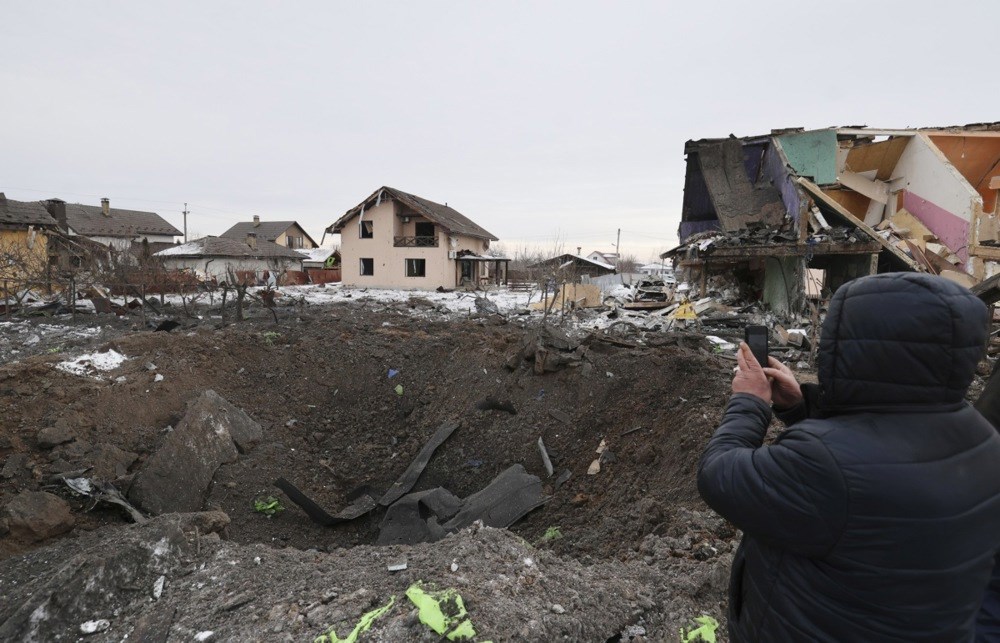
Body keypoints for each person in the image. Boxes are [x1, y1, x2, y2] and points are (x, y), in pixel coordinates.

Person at [697, 272, 1000, 642]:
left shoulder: (825, 465)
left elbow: (718, 474)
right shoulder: (984, 439)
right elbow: (867, 455)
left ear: (853, 347)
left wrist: (749, 402)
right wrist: (799, 408)